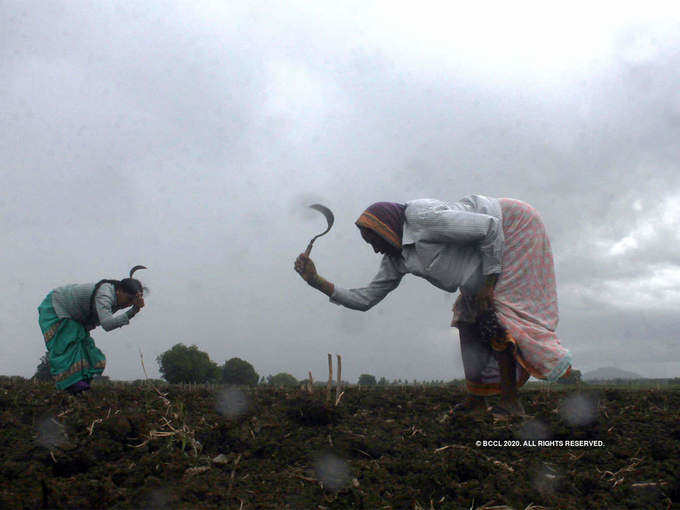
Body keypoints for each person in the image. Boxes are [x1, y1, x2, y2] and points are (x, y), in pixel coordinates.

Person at [295, 196, 571, 416]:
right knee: (467, 319)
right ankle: (477, 402)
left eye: (374, 241)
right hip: (482, 264)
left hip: (513, 229)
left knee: (495, 317)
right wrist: (316, 280)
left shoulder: (422, 218)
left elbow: (490, 228)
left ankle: (511, 403)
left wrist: (489, 286)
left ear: (386, 228)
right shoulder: (396, 259)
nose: (376, 250)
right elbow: (366, 299)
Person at [37, 266, 147, 394]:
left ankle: (81, 386)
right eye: (129, 299)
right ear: (119, 291)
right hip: (58, 308)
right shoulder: (105, 295)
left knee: (90, 353)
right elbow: (107, 324)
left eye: (132, 302)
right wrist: (133, 311)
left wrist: (132, 306)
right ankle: (72, 386)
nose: (128, 304)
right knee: (68, 346)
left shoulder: (118, 299)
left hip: (76, 321)